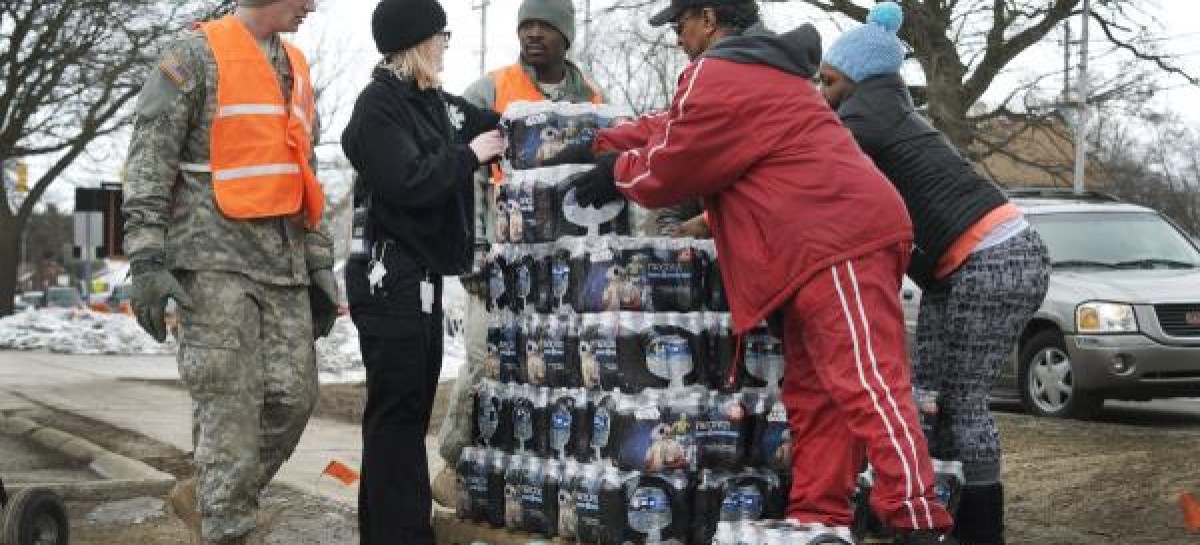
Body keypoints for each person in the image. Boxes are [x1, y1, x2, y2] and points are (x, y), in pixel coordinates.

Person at [570, 1, 958, 543]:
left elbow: (679, 160)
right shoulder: (753, 72)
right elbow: (673, 125)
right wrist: (599, 140)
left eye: (680, 25)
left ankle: (917, 521)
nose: (678, 39)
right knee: (817, 393)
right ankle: (820, 519)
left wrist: (619, 171)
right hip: (814, 248)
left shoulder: (722, 72)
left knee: (867, 381)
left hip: (837, 236)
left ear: (707, 18)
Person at [817, 4, 1051, 544]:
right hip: (965, 266)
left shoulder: (862, 121)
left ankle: (981, 529)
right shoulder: (886, 111)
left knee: (963, 398)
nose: (822, 92)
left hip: (995, 258)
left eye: (829, 81)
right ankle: (933, 508)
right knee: (927, 392)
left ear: (858, 79)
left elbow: (807, 167)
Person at [122, 0, 334, 543]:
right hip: (211, 264)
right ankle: (227, 523)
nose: (311, 6)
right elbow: (149, 157)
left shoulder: (297, 68)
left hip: (282, 266)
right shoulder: (192, 55)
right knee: (229, 411)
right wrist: (146, 258)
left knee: (294, 399)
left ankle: (214, 493)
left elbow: (303, 171)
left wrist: (318, 260)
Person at [340, 0, 506, 543]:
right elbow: (407, 179)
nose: (444, 47)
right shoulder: (378, 108)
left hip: (421, 278)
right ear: (416, 43)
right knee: (397, 413)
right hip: (388, 280)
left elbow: (482, 123)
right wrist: (470, 156)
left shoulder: (433, 103)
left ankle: (392, 531)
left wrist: (526, 125)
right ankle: (400, 534)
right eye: (440, 37)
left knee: (409, 412)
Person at [433, 0, 607, 501]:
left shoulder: (591, 98)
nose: (532, 35)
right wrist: (472, 248)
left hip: (561, 264)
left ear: (565, 35)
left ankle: (522, 477)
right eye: (525, 25)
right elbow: (459, 173)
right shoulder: (488, 91)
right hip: (495, 257)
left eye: (544, 26)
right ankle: (454, 465)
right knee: (483, 361)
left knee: (549, 372)